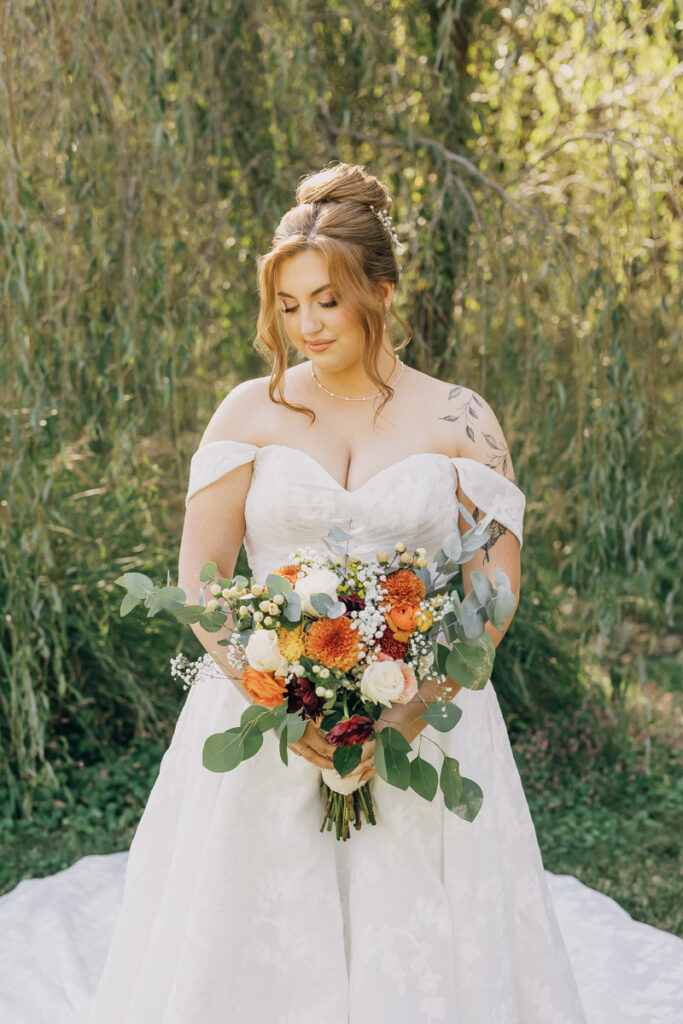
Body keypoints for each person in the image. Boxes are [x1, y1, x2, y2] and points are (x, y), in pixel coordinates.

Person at [69, 161, 589, 1022]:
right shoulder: (249, 411)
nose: (305, 324)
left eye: (326, 300)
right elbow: (202, 571)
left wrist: (422, 697)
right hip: (263, 717)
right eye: (288, 304)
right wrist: (270, 688)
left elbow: (493, 584)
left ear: (381, 292)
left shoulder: (461, 418)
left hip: (425, 718)